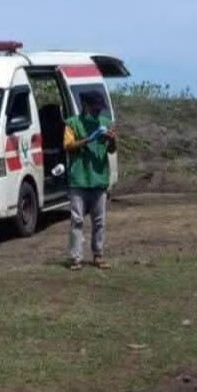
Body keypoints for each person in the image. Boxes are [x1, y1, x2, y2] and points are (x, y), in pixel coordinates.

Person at [63, 91, 117, 270]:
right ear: (85, 105)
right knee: (77, 220)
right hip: (79, 179)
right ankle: (75, 257)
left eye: (100, 108)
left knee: (99, 221)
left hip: (99, 178)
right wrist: (89, 139)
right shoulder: (72, 124)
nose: (98, 111)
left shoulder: (106, 124)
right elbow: (68, 146)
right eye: (95, 108)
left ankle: (98, 255)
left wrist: (112, 140)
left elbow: (111, 150)